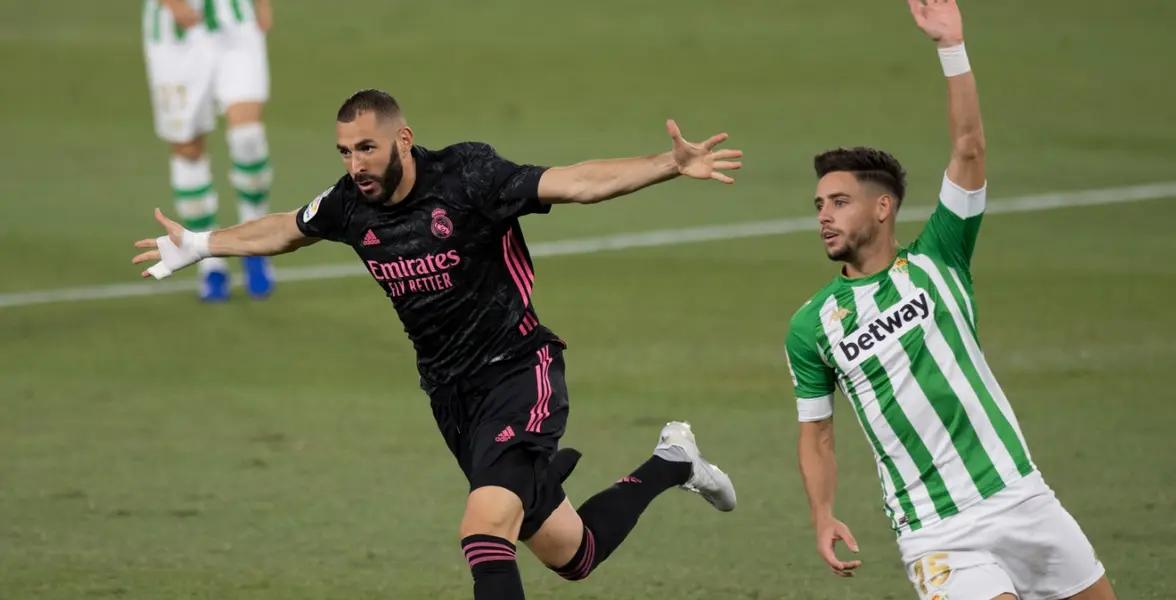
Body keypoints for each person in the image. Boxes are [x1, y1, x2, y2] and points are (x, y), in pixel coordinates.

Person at [132, 89, 741, 599]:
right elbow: (288, 229)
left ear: (402, 139)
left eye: (366, 147)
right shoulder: (350, 204)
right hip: (452, 399)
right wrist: (203, 243)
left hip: (518, 371)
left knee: (482, 532)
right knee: (572, 554)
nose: (355, 165)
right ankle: (673, 462)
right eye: (344, 152)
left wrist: (668, 163)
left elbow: (576, 182)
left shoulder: (468, 177)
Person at [785, 2, 1117, 598]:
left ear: (882, 207)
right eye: (818, 206)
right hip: (938, 530)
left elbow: (969, 150)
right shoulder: (812, 326)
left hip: (1023, 495)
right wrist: (822, 513)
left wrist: (951, 48)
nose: (824, 218)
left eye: (838, 202)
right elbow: (817, 434)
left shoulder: (940, 256)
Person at [142, 0, 275, 301]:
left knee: (248, 136)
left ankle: (255, 243)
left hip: (235, 20)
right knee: (188, 149)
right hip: (173, 31)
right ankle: (209, 261)